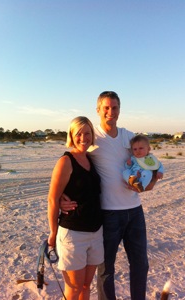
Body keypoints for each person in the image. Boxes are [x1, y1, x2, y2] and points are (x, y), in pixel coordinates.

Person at [61, 92, 157, 300]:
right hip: (108, 214)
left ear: (119, 110)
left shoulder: (128, 137)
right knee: (106, 270)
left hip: (134, 211)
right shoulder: (90, 137)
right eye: (106, 108)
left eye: (114, 108)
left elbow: (150, 162)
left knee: (141, 264)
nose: (110, 112)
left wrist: (151, 183)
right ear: (98, 110)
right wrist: (61, 197)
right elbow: (70, 165)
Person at [47, 116, 104, 300]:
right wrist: (53, 233)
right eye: (78, 134)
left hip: (96, 233)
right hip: (73, 235)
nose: (83, 138)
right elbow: (53, 199)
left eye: (87, 133)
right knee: (73, 289)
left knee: (86, 286)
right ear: (71, 135)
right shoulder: (66, 161)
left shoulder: (92, 159)